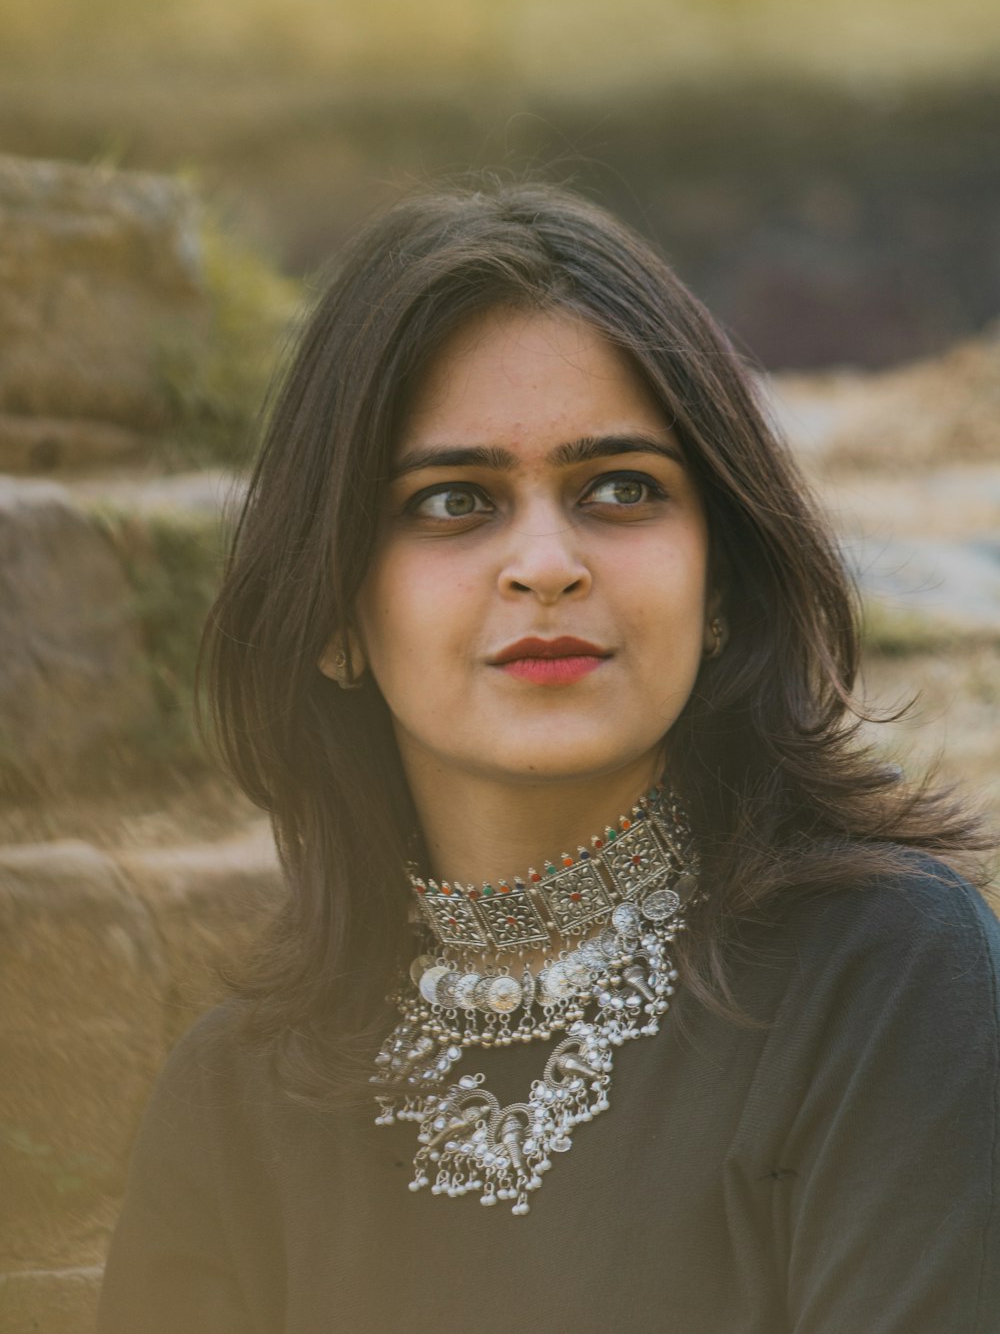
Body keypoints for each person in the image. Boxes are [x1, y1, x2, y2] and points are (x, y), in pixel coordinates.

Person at [97, 181, 1000, 1333]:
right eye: (453, 500)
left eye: (619, 489)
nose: (545, 562)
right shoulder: (235, 1099)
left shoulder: (880, 980)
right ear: (332, 611)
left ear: (718, 581)